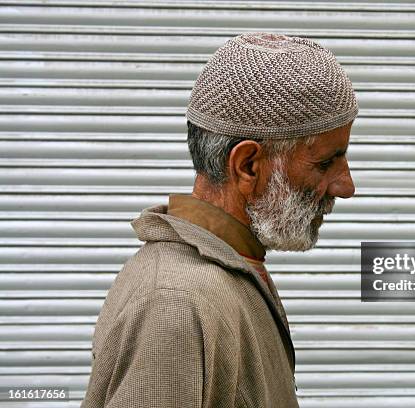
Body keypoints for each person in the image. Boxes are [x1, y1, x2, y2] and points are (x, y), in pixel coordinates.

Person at [82, 32, 358, 408]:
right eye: (325, 163)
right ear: (247, 166)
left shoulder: (233, 267)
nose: (346, 186)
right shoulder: (174, 304)